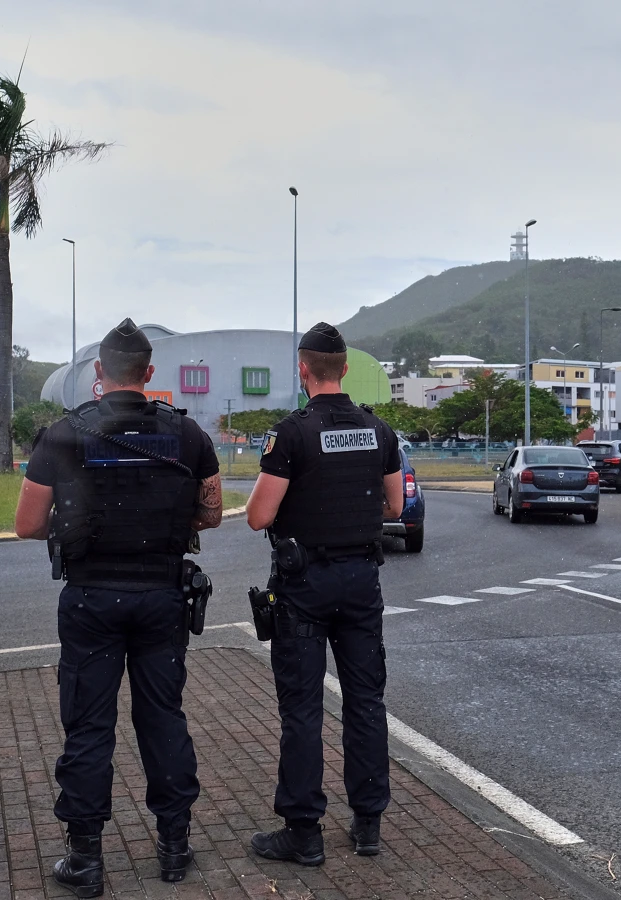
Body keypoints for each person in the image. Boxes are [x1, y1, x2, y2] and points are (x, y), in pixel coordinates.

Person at [14, 317, 224, 896]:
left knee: (88, 726)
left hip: (90, 600)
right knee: (163, 719)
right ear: (149, 374)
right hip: (162, 598)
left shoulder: (62, 434)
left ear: (98, 375)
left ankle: (85, 861)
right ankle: (174, 847)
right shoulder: (188, 436)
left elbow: (27, 524)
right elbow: (211, 513)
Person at [245, 321, 405, 866]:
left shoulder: (290, 434)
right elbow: (395, 507)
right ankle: (368, 826)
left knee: (303, 710)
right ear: (344, 369)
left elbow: (259, 516)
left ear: (303, 370)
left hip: (305, 586)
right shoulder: (378, 430)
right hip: (363, 582)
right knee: (365, 703)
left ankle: (304, 833)